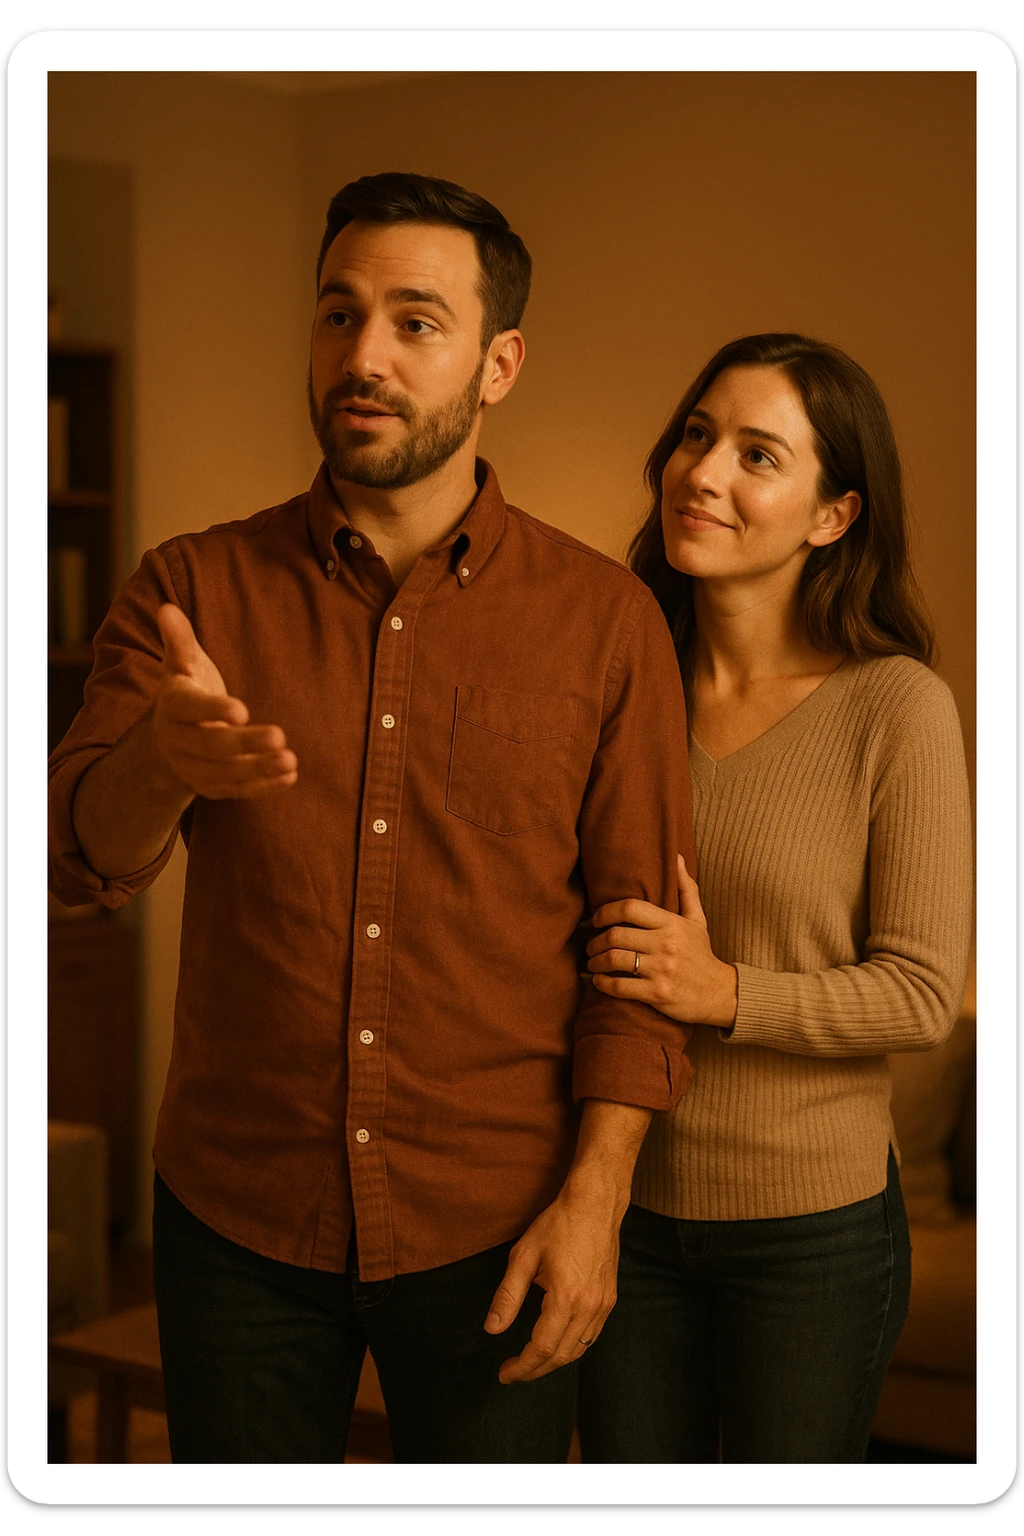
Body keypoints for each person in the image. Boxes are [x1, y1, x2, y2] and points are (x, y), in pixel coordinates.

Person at [47, 172, 697, 1464]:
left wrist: (598, 1198)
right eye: (338, 315)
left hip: (497, 1230)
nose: (364, 356)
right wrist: (162, 763)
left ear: (499, 362)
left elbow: (639, 955)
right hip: (237, 1221)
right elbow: (78, 864)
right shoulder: (191, 586)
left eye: (415, 322)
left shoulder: (609, 624)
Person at [576, 333, 973, 1464]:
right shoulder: (614, 681)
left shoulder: (896, 708)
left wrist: (723, 991)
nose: (703, 472)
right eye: (697, 436)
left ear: (832, 515)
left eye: (758, 454)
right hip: (620, 1208)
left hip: (814, 1239)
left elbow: (916, 993)